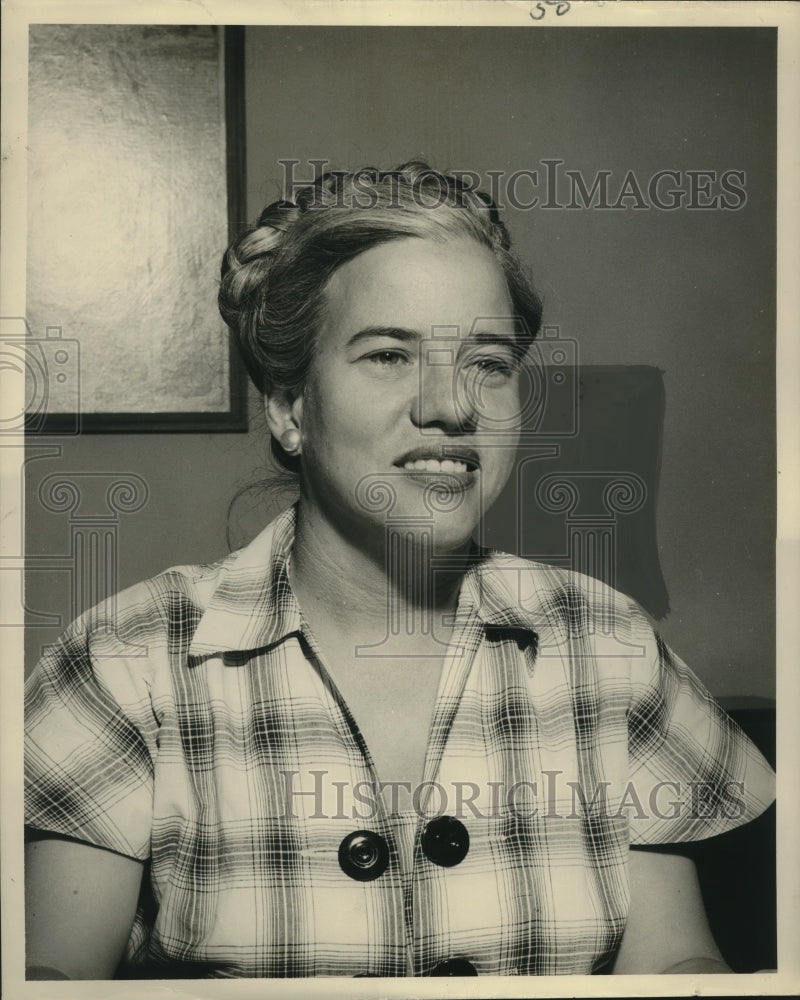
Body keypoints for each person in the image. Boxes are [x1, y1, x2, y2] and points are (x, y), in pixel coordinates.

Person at [25, 162, 775, 979]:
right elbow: (53, 981)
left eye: (488, 363)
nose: (452, 406)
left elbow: (673, 960)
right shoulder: (130, 658)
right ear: (289, 408)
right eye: (388, 355)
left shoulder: (607, 643)